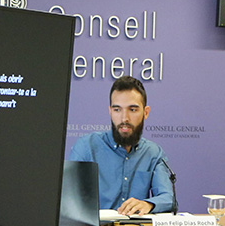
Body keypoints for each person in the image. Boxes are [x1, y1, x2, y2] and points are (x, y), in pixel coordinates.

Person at [69, 76, 174, 215]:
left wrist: (148, 204)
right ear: (110, 111)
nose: (124, 118)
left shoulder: (153, 153)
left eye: (133, 110)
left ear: (146, 112)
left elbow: (168, 198)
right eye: (117, 109)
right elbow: (69, 200)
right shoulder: (86, 147)